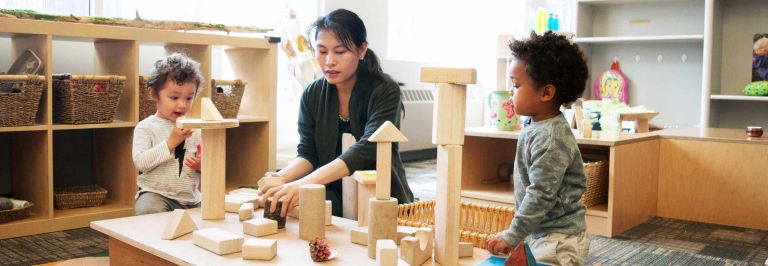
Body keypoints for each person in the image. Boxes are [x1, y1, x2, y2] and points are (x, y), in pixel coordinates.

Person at [261, 9, 414, 217]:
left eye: (340, 52)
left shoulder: (385, 90)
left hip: (381, 200)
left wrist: (304, 184)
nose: (329, 61)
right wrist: (283, 177)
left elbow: (368, 149)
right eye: (322, 51)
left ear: (361, 50)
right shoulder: (312, 94)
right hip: (334, 197)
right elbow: (308, 153)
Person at [485, 31, 591, 265]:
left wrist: (512, 234)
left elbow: (540, 194)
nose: (511, 91)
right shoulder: (535, 123)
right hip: (538, 232)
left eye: (516, 85)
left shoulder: (551, 138)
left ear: (546, 92)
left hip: (559, 239)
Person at [132, 53, 204, 215]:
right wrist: (171, 142)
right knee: (147, 210)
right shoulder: (146, 127)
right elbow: (141, 163)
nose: (182, 105)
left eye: (189, 98)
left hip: (192, 199)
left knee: (215, 213)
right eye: (174, 97)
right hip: (157, 195)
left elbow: (207, 165)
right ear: (153, 94)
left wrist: (202, 165)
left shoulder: (195, 128)